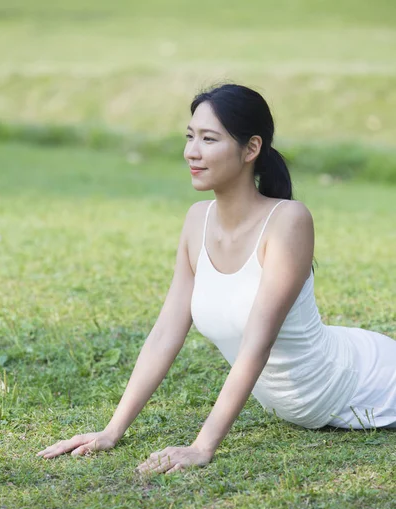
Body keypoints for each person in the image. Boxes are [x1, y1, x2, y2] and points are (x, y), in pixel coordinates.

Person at [37, 83, 396, 474]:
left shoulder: (288, 221)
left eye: (209, 139)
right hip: (310, 402)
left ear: (251, 148)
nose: (192, 151)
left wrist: (202, 446)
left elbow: (257, 344)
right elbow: (164, 334)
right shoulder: (196, 220)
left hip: (368, 381)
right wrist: (111, 430)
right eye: (190, 137)